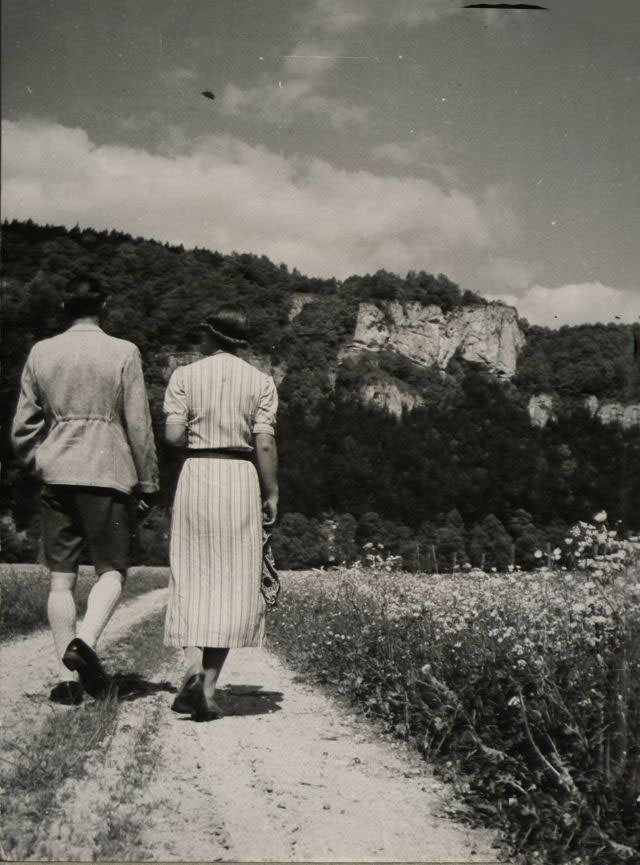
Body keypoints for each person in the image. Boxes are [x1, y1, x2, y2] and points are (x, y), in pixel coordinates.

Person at [11, 276, 159, 705]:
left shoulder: (42, 352)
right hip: (108, 472)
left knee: (61, 579)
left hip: (57, 473)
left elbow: (23, 427)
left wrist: (41, 459)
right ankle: (86, 644)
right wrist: (147, 480)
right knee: (112, 570)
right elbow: (139, 425)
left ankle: (70, 681)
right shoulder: (123, 351)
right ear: (105, 303)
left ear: (64, 305)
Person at [163, 306, 278, 721]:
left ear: (211, 335)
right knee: (233, 580)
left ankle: (193, 669)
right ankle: (207, 688)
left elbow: (173, 436)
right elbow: (264, 444)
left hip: (197, 474)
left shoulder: (184, 376)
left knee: (193, 573)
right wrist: (272, 493)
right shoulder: (261, 381)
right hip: (240, 478)